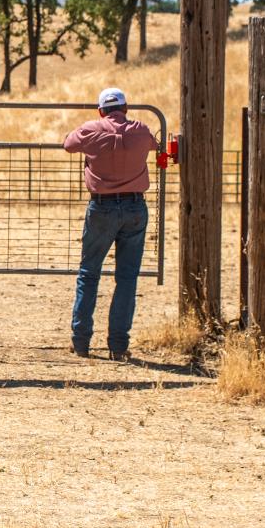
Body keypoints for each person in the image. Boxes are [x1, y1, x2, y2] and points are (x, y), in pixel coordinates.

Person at [62, 87, 166, 361]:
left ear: (100, 110)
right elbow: (157, 145)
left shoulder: (90, 128)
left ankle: (81, 341)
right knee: (127, 278)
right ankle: (118, 346)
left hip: (101, 207)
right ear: (126, 108)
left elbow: (68, 145)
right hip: (134, 207)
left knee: (89, 273)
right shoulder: (141, 129)